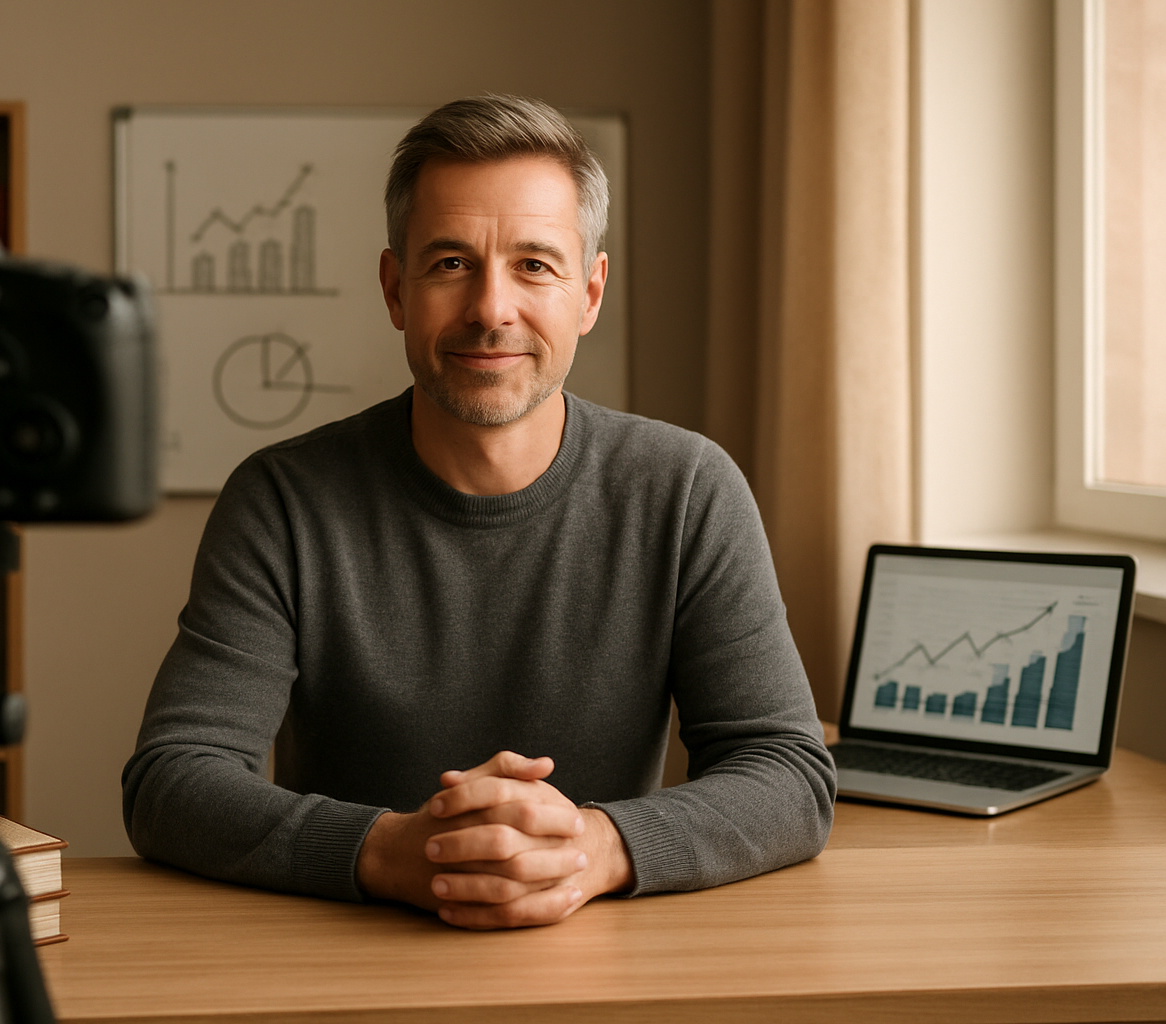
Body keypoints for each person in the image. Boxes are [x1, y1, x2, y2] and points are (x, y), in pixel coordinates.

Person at [123, 95, 835, 930]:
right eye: (451, 263)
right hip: (346, 959)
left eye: (534, 265)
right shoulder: (284, 500)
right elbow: (172, 778)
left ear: (590, 294)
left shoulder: (686, 489)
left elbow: (788, 772)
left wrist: (594, 848)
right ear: (396, 289)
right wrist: (392, 852)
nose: (491, 309)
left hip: (604, 961)